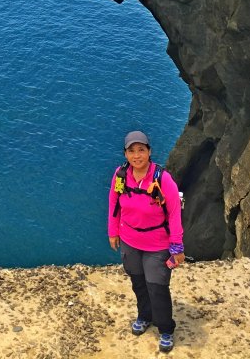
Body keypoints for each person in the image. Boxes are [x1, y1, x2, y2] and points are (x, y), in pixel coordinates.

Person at [107, 130, 184, 353]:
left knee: (157, 288)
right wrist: (113, 231)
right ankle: (144, 316)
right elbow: (114, 203)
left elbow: (174, 213)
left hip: (157, 245)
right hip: (130, 241)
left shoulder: (162, 179)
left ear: (149, 152)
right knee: (138, 283)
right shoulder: (121, 175)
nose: (136, 155)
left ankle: (166, 329)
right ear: (125, 154)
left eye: (141, 150)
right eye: (131, 151)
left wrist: (177, 246)